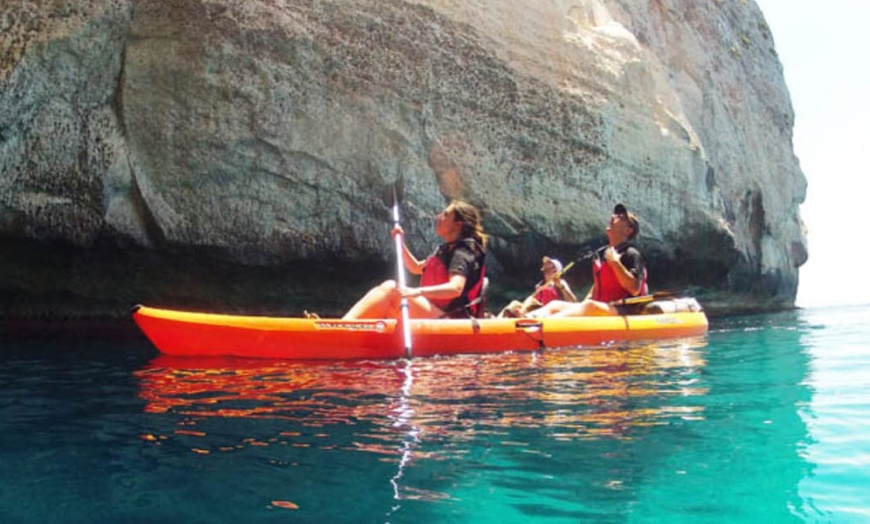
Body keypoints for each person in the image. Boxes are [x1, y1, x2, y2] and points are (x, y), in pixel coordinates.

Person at [342, 200, 487, 320]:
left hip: (452, 320)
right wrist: (400, 243)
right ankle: (346, 325)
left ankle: (344, 326)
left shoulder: (462, 253)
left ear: (458, 224)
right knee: (389, 288)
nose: (439, 217)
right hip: (437, 313)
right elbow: (415, 267)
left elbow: (455, 289)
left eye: (445, 215)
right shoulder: (445, 250)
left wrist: (416, 291)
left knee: (392, 289)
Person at [529, 203, 647, 317]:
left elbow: (635, 289)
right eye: (615, 215)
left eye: (620, 217)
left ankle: (544, 325)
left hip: (624, 311)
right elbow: (597, 285)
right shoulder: (601, 254)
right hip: (602, 307)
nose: (613, 217)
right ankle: (526, 318)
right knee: (555, 305)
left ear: (628, 230)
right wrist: (582, 304)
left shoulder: (631, 254)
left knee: (590, 306)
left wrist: (615, 263)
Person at [498, 256, 576, 317]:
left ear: (556, 271)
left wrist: (561, 286)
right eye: (545, 269)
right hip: (537, 311)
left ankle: (521, 316)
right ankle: (497, 320)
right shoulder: (540, 285)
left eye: (549, 269)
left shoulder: (560, 283)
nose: (546, 272)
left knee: (530, 300)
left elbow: (573, 302)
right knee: (515, 303)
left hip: (550, 314)